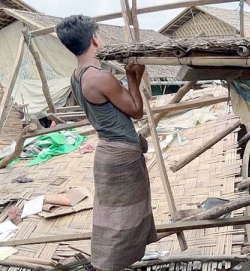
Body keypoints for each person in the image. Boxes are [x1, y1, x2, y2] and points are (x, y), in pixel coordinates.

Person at [57, 15, 157, 270]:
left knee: (111, 217)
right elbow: (136, 110)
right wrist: (134, 76)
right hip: (121, 154)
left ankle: (108, 263)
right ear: (94, 39)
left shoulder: (76, 76)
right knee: (125, 218)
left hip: (107, 152)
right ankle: (111, 265)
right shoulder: (100, 77)